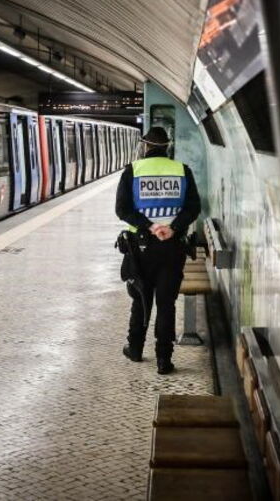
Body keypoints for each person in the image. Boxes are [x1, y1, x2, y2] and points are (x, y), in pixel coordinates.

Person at [115, 126, 201, 374]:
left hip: (140, 247)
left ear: (145, 146)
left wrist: (150, 226)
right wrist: (172, 228)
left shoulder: (133, 171)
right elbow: (193, 207)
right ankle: (164, 360)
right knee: (166, 304)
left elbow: (122, 210)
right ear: (167, 147)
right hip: (172, 247)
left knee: (141, 300)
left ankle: (135, 349)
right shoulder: (182, 171)